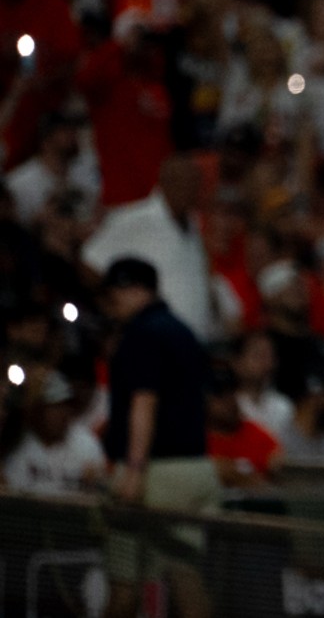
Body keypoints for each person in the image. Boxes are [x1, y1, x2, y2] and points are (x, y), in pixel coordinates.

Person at [99, 257, 217, 618]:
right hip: (196, 471)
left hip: (155, 473)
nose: (110, 303)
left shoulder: (142, 333)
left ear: (136, 289)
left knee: (123, 588)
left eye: (114, 293)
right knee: (186, 578)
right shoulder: (182, 331)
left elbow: (144, 403)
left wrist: (133, 473)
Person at [83, 155, 242, 344]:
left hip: (194, 343)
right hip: (152, 341)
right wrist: (117, 310)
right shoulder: (136, 218)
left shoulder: (193, 224)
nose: (193, 191)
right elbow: (89, 263)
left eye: (196, 184)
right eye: (186, 184)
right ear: (166, 183)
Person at [2, 371, 107, 495]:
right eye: (54, 406)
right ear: (38, 410)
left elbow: (101, 492)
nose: (61, 413)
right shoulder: (16, 443)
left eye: (65, 405)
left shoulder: (86, 444)